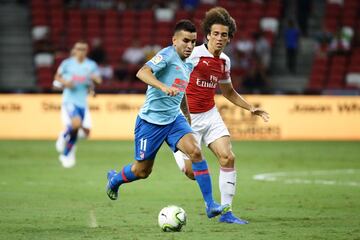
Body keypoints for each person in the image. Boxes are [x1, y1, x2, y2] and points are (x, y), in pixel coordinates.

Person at [106, 20, 230, 219]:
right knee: (142, 171)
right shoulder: (167, 55)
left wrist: (187, 116)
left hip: (174, 120)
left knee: (196, 152)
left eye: (193, 41)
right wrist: (162, 87)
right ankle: (114, 180)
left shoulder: (190, 62)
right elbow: (142, 72)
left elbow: (181, 92)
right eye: (185, 41)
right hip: (150, 123)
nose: (189, 46)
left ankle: (210, 205)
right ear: (174, 40)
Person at [173, 7, 269, 224]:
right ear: (207, 35)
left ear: (229, 38)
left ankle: (226, 212)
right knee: (191, 172)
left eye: (223, 35)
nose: (219, 38)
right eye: (215, 34)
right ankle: (179, 153)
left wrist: (250, 107)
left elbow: (228, 92)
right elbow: (175, 81)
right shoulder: (194, 55)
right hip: (186, 120)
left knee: (228, 157)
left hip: (210, 114)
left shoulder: (225, 61)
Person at [54, 41, 102, 168]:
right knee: (76, 123)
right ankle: (64, 139)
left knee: (84, 132)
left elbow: (97, 81)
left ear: (86, 51)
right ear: (74, 50)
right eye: (78, 49)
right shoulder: (67, 64)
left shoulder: (91, 65)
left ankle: (65, 152)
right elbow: (57, 78)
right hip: (69, 100)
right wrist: (66, 82)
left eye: (83, 49)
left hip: (82, 102)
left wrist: (93, 82)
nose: (81, 51)